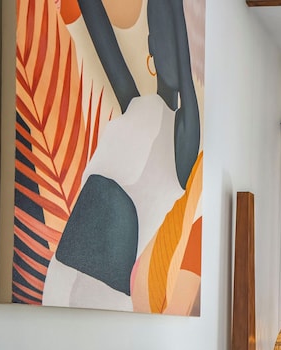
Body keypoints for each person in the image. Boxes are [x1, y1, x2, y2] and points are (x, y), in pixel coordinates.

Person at [44, 0, 200, 311]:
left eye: (173, 36)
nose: (167, 45)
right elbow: (101, 35)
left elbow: (184, 68)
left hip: (104, 299)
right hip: (58, 279)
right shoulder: (136, 106)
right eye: (159, 36)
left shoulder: (182, 140)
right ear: (150, 49)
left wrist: (180, 40)